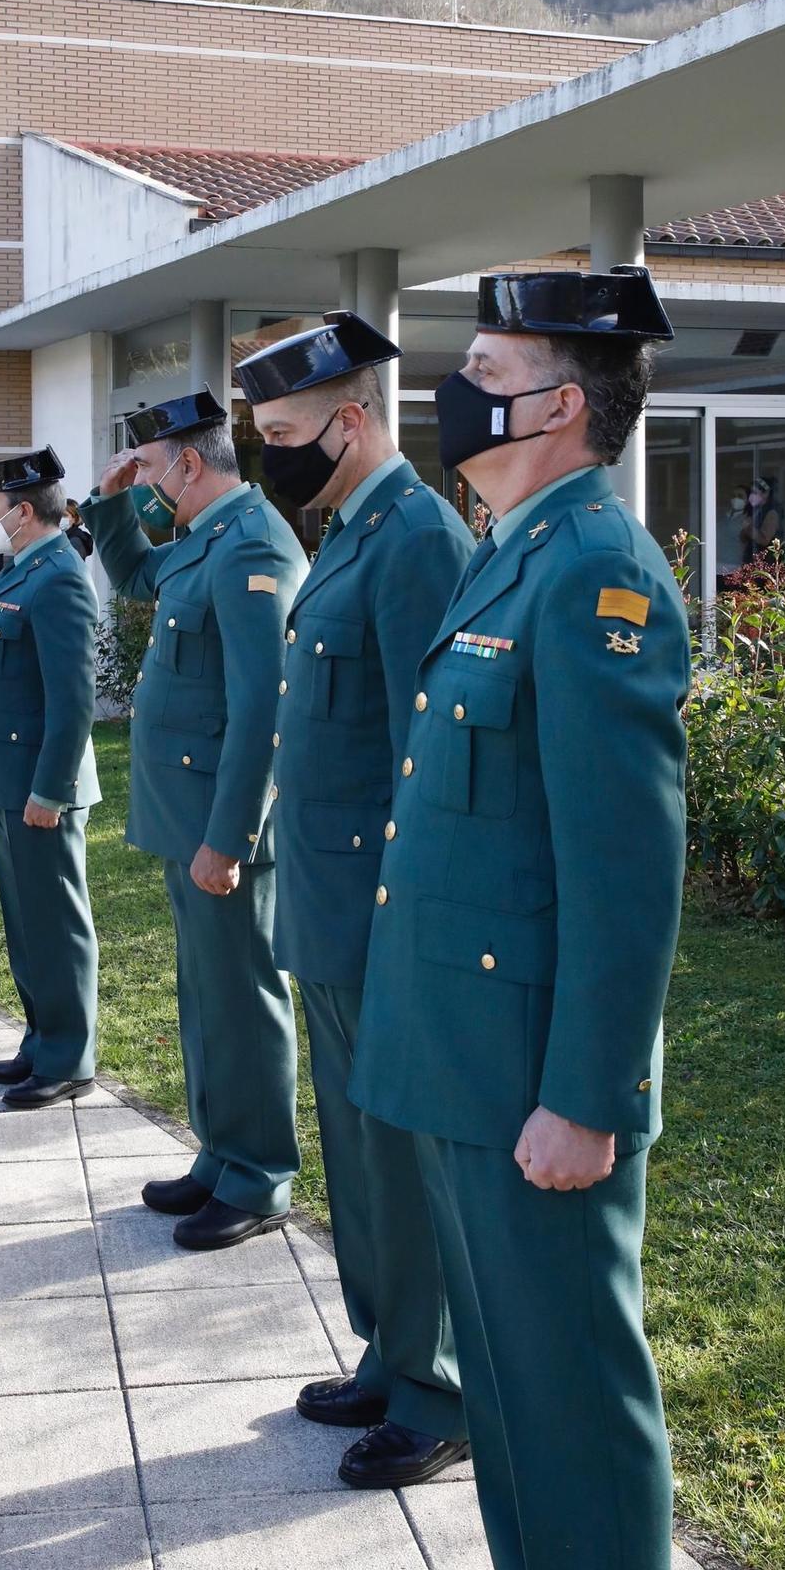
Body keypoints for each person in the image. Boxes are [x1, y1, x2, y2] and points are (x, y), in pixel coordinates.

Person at [353, 266, 688, 1570]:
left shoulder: (598, 570)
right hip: (462, 1058)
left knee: (569, 1389)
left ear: (555, 402)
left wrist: (586, 1098)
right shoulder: (509, 546)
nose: (454, 385)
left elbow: (626, 869)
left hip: (533, 1078)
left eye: (483, 363)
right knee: (502, 1380)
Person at [238, 313, 473, 1489]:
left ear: (350, 418)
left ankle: (436, 1388)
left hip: (380, 911)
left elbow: (419, 761)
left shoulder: (414, 537)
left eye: (282, 433)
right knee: (359, 1151)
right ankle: (388, 1348)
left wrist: (405, 923)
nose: (268, 455)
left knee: (402, 1156)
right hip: (326, 906)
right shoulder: (342, 531)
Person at [85, 390, 308, 1249]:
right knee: (205, 991)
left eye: (149, 467)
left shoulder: (251, 543)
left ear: (188, 463)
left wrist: (232, 834)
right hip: (189, 815)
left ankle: (258, 1177)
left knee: (243, 996)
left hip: (224, 824)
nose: (144, 479)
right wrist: (110, 505)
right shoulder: (203, 539)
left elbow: (264, 706)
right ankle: (222, 1152)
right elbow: (139, 576)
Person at [0, 447, 101, 1107]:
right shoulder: (20, 569)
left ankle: (69, 1057)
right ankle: (41, 1040)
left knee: (55, 924)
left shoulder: (58, 577)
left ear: (25, 512)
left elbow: (74, 700)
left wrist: (50, 789)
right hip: (9, 779)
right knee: (26, 921)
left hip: (40, 785)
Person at [740, 475, 783, 562]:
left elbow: (764, 540)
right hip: (753, 559)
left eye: (755, 492)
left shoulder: (772, 512)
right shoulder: (756, 510)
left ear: (766, 493)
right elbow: (744, 538)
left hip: (765, 562)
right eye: (751, 492)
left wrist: (748, 528)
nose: (751, 495)